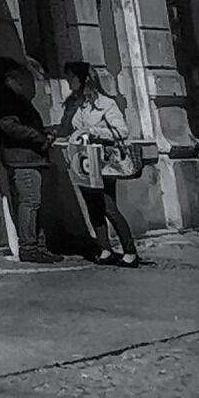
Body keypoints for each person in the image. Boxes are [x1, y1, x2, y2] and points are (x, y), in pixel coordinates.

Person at [52, 61, 148, 266]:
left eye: (72, 77)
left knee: (108, 206)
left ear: (83, 78)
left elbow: (121, 131)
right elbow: (66, 129)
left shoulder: (105, 103)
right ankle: (105, 248)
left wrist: (92, 131)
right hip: (81, 161)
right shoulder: (73, 103)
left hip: (104, 161)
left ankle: (130, 251)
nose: (68, 81)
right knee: (92, 206)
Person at [0, 57, 58, 259]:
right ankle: (29, 247)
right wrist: (37, 135)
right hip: (22, 158)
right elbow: (9, 126)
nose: (21, 81)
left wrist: (43, 132)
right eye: (15, 76)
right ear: (6, 78)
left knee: (34, 202)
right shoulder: (7, 100)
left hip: (29, 157)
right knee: (30, 201)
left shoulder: (12, 98)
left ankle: (39, 245)